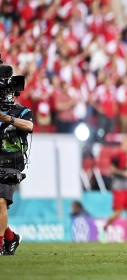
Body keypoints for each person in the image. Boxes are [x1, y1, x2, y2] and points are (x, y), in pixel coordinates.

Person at [0, 63, 34, 255]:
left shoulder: (22, 111)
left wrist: (8, 119)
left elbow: (29, 126)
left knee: (0, 202)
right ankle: (11, 238)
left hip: (11, 161)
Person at [100, 135, 127, 243]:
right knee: (118, 213)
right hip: (118, 188)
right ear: (122, 145)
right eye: (126, 145)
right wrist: (125, 173)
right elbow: (112, 170)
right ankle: (104, 229)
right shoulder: (117, 157)